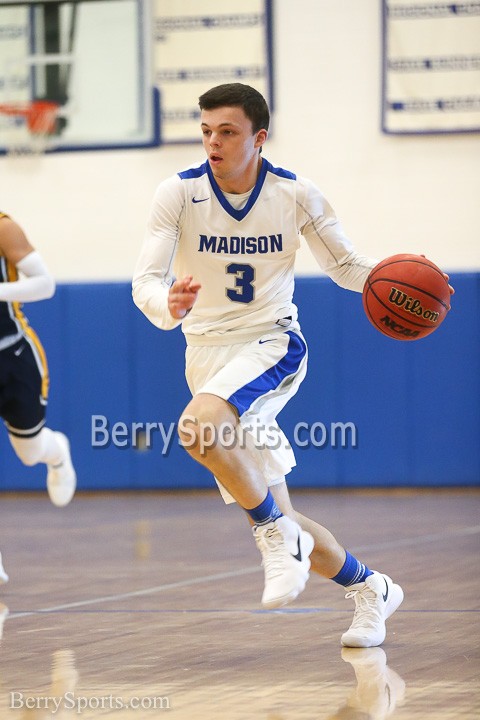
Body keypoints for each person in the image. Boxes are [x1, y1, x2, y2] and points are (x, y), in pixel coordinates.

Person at [132, 83, 453, 647]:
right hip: (204, 352)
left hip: (270, 342)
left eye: (227, 132)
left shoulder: (294, 194)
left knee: (197, 428)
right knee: (285, 515)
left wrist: (401, 284)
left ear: (258, 138)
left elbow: (349, 266)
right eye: (205, 131)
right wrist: (168, 305)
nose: (213, 142)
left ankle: (273, 538)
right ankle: (370, 587)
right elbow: (145, 284)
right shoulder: (177, 194)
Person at [0, 212, 76, 537]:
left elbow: (45, 284)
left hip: (13, 354)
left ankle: (57, 451)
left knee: (29, 453)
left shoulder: (5, 227)